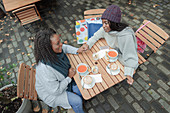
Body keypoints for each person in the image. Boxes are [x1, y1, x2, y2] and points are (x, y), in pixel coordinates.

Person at [81, 5, 138, 85]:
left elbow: (131, 56)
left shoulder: (126, 36)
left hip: (121, 58)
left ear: (114, 23)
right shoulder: (106, 29)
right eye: (103, 22)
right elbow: (96, 36)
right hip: (111, 54)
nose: (103, 26)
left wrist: (129, 74)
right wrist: (87, 44)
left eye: (106, 23)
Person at [34, 28, 85, 113]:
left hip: (62, 82)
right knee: (77, 100)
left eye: (59, 41)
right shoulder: (45, 69)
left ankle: (77, 104)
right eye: (58, 43)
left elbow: (65, 48)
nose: (61, 44)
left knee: (81, 90)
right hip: (52, 94)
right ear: (48, 48)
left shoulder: (52, 52)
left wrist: (77, 50)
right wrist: (69, 77)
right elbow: (55, 91)